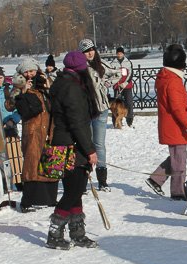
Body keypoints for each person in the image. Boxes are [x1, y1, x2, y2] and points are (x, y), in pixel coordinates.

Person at [47, 50, 99, 250]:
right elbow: (77, 123)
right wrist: (90, 150)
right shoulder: (72, 88)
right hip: (72, 145)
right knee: (74, 190)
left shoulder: (62, 82)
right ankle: (55, 231)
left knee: (75, 190)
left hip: (64, 142)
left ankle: (77, 232)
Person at [145, 44, 187, 201]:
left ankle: (156, 178)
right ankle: (178, 192)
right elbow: (177, 108)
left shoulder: (166, 77)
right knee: (179, 159)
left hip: (170, 124)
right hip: (176, 125)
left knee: (176, 156)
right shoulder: (173, 81)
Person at [13, 57, 58, 212]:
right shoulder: (18, 85)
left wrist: (47, 85)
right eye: (26, 72)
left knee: (50, 161)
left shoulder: (45, 81)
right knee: (32, 164)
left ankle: (50, 198)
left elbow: (56, 100)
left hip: (49, 129)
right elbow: (11, 103)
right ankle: (28, 201)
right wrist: (24, 90)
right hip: (32, 129)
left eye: (32, 71)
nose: (30, 75)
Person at [79, 38, 121, 191]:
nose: (89, 53)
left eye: (91, 50)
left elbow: (118, 73)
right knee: (85, 144)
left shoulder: (101, 65)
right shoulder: (80, 67)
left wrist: (107, 83)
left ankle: (102, 180)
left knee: (99, 144)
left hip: (101, 109)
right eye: (86, 51)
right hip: (85, 111)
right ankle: (84, 176)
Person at [110, 46, 134, 126]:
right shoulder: (113, 63)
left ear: (123, 53)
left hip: (126, 86)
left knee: (129, 103)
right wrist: (115, 82)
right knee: (115, 105)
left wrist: (126, 83)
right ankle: (115, 121)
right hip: (117, 86)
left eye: (121, 53)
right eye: (118, 53)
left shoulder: (128, 62)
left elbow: (130, 74)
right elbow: (111, 74)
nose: (119, 55)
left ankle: (129, 119)